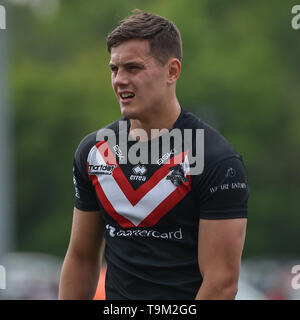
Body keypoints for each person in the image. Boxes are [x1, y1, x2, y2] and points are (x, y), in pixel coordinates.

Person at [58, 10, 249, 300]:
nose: (119, 80)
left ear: (172, 71)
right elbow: (82, 259)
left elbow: (222, 283)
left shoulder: (216, 159)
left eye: (133, 68)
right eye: (114, 69)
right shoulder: (93, 152)